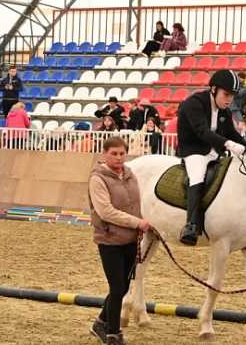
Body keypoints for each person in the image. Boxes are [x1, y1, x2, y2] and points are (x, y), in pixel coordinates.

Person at [176, 69, 246, 246]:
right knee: (197, 175)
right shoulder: (194, 103)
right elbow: (202, 131)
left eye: (232, 96)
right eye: (226, 94)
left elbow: (231, 133)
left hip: (213, 151)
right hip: (193, 150)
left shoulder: (224, 111)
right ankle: (191, 225)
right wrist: (228, 144)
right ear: (213, 89)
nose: (229, 100)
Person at [88, 136, 152, 345]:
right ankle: (113, 333)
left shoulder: (129, 175)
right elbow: (106, 211)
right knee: (117, 288)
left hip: (130, 239)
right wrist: (137, 222)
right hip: (110, 239)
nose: (118, 157)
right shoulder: (98, 179)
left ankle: (100, 322)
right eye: (113, 153)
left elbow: (136, 203)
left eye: (122, 153)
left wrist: (147, 223)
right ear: (105, 154)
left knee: (123, 286)